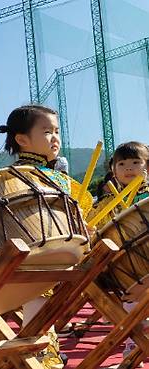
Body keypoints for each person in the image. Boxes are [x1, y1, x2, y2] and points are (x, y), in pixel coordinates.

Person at [0, 105, 94, 369]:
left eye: (57, 131)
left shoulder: (59, 178)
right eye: (47, 131)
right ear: (22, 139)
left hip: (56, 256)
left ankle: (42, 352)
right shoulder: (10, 177)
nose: (55, 138)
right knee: (37, 296)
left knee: (42, 299)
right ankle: (39, 355)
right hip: (27, 258)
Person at [89, 141, 149, 364]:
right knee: (131, 303)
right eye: (121, 163)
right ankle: (135, 344)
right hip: (127, 271)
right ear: (113, 170)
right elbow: (98, 231)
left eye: (136, 162)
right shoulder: (107, 202)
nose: (129, 168)